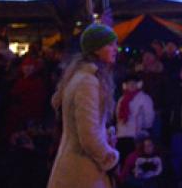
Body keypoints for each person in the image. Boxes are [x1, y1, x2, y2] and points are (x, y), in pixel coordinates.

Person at [47, 23, 121, 188]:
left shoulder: (82, 77)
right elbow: (88, 135)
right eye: (110, 44)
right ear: (96, 49)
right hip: (82, 171)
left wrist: (106, 134)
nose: (116, 48)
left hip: (78, 168)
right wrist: (110, 158)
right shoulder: (88, 82)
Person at [115, 73, 156, 164]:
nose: (132, 85)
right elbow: (118, 116)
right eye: (129, 83)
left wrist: (142, 128)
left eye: (134, 83)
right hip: (122, 134)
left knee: (134, 162)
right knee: (123, 161)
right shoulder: (122, 99)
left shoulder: (144, 98)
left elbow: (149, 116)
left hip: (136, 135)